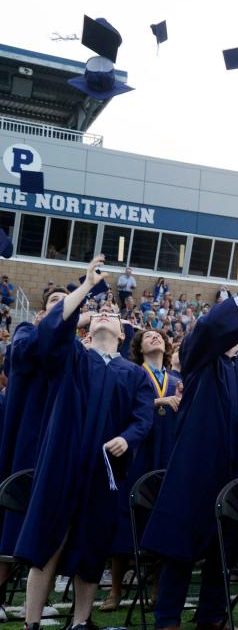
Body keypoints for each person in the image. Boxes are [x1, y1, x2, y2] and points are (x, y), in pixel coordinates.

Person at [16, 255, 155, 630]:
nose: (107, 313)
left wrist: (128, 438)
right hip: (63, 461)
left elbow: (143, 417)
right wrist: (86, 288)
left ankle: (80, 622)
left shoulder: (134, 374)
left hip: (104, 470)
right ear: (88, 330)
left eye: (113, 314)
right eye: (100, 313)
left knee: (92, 546)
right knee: (49, 541)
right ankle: (31, 623)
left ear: (124, 335)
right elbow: (50, 330)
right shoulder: (73, 356)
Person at [142, 269, 238, 630]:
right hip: (196, 472)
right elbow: (203, 332)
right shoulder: (202, 361)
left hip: (235, 476)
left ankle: (212, 618)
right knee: (180, 551)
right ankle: (167, 619)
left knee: (224, 552)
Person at [102, 328, 184, 612]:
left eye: (159, 336)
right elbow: (122, 408)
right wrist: (160, 402)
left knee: (162, 518)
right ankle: (115, 590)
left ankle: (157, 588)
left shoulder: (177, 380)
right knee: (127, 519)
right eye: (147, 336)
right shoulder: (131, 374)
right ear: (137, 346)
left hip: (168, 454)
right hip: (137, 454)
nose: (154, 338)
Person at [0, 287, 69, 609]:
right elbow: (23, 355)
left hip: (60, 442)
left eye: (65, 302)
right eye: (55, 301)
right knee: (11, 518)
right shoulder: (27, 331)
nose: (61, 306)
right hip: (26, 438)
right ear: (42, 312)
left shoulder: (73, 348)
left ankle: (37, 602)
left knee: (47, 521)